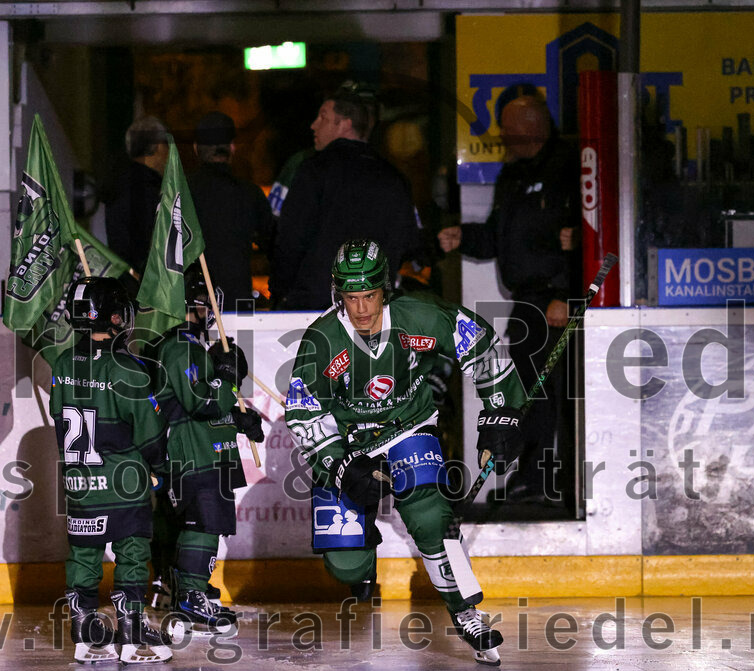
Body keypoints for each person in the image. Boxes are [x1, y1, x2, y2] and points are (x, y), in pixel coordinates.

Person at [284, 240, 527, 665]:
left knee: (430, 515)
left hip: (408, 425)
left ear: (386, 289)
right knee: (345, 564)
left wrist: (500, 413)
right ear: (338, 293)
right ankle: (363, 555)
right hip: (351, 444)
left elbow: (483, 346)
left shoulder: (421, 315)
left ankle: (466, 612)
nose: (361, 309)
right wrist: (339, 465)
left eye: (370, 296)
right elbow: (305, 414)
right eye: (351, 297)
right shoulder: (321, 341)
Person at [438, 95, 581, 509]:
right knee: (527, 394)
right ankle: (533, 476)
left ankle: (549, 480)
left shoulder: (567, 167)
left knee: (551, 395)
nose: (502, 135)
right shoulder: (513, 175)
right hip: (526, 304)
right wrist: (464, 236)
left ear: (533, 125)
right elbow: (499, 238)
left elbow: (583, 237)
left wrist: (563, 293)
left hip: (555, 302)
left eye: (509, 127)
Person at [50, 276, 173, 665]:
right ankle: (133, 633)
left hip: (80, 484)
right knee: (132, 555)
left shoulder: (63, 363)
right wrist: (159, 469)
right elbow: (150, 434)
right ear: (117, 317)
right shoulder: (129, 371)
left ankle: (86, 636)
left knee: (83, 557)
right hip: (124, 484)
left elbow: (59, 421)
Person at [154, 266, 265, 638]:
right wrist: (226, 378)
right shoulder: (178, 347)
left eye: (207, 306)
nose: (204, 313)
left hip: (208, 451)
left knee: (209, 524)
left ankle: (194, 591)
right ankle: (189, 597)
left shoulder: (197, 349)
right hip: (191, 455)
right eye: (200, 306)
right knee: (202, 524)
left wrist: (238, 419)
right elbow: (198, 402)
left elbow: (211, 410)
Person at [270, 84, 417, 310]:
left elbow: (291, 239)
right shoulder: (394, 178)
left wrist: (281, 292)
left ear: (345, 124)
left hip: (315, 307)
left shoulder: (314, 170)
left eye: (323, 118)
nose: (314, 125)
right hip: (373, 308)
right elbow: (405, 241)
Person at [189, 111, 275, 312]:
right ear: (232, 148)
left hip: (191, 305)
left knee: (192, 345)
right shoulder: (249, 194)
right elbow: (274, 245)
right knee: (241, 344)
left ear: (196, 149)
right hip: (239, 300)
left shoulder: (180, 192)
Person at [105, 116, 170, 276]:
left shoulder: (115, 182)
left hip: (120, 279)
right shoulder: (150, 188)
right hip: (145, 285)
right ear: (159, 147)